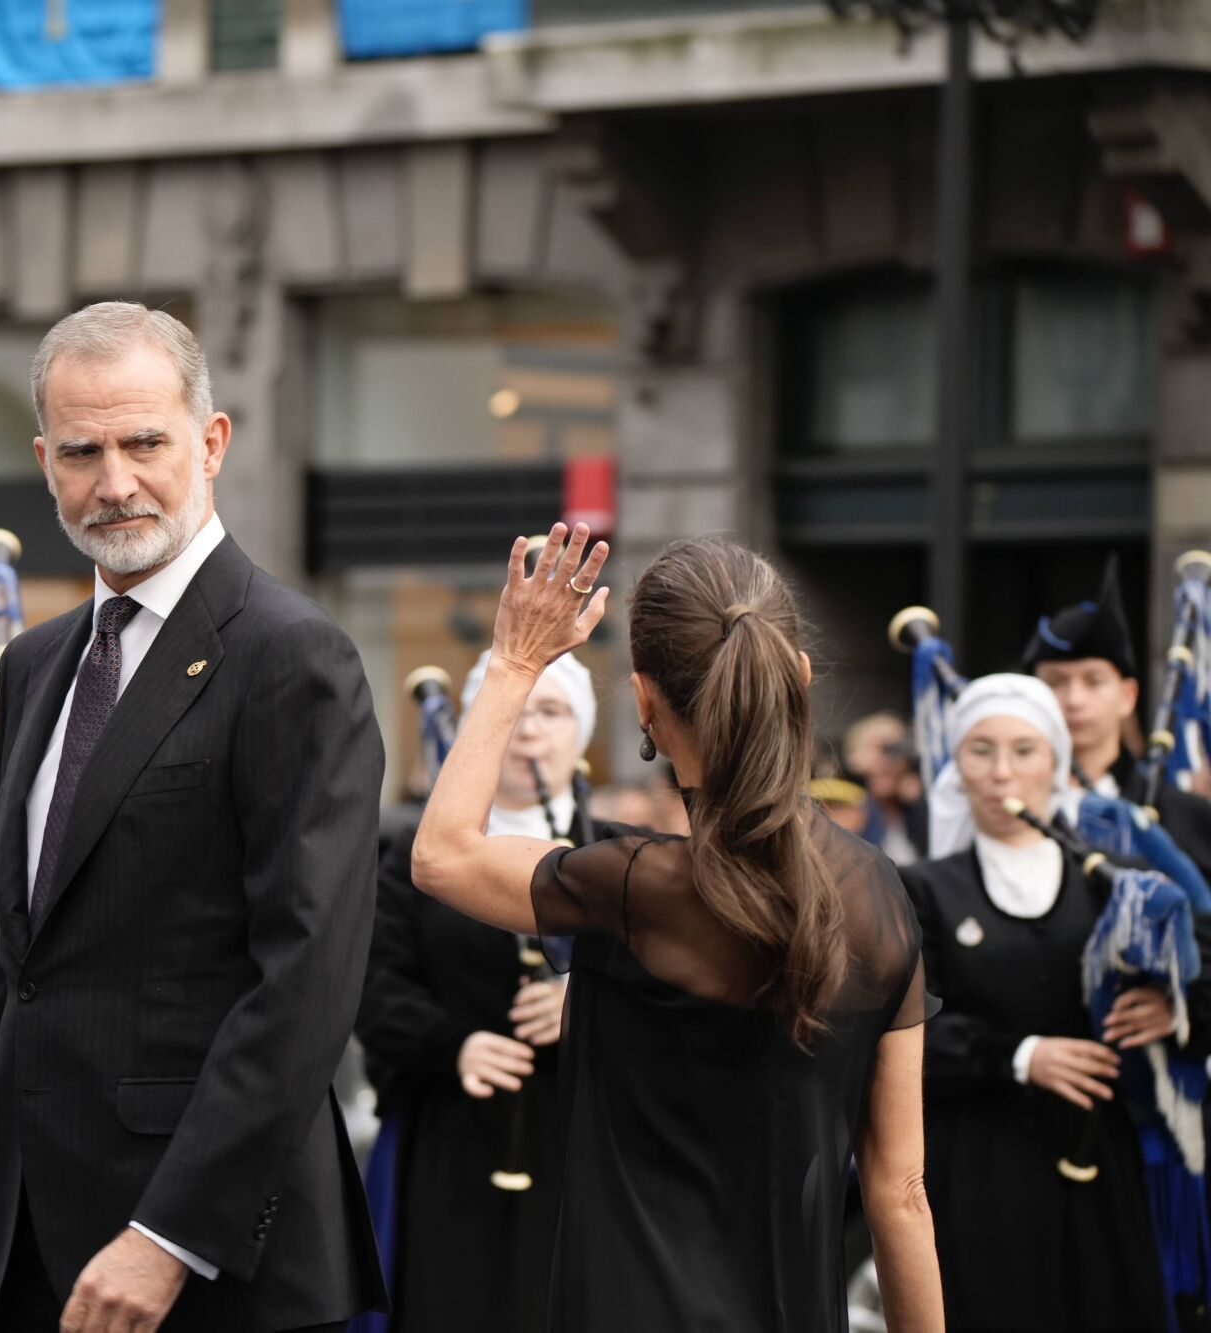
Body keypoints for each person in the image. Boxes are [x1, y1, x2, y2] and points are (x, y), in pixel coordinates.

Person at [0, 303, 388, 1333]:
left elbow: (305, 981)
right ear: (44, 461)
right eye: (83, 452)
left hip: (214, 1264)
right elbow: (18, 982)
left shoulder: (289, 657)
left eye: (145, 442)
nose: (115, 482)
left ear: (211, 441)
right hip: (36, 1257)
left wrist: (168, 1236)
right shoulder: (32, 665)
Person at [412, 528, 943, 1332]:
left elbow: (443, 852)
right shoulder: (881, 895)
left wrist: (518, 661)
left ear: (647, 706)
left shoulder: (635, 883)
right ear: (797, 680)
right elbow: (901, 1196)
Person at [902, 673, 1204, 1333]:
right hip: (980, 1164)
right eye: (980, 749)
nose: (1001, 770)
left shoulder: (1112, 877)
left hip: (1102, 1161)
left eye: (1024, 749)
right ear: (956, 762)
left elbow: (1193, 957)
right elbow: (903, 1032)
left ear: (1056, 761)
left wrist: (1172, 1004)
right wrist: (1017, 1056)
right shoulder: (920, 888)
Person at [354, 649, 600, 1329]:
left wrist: (584, 1005)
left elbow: (665, 983)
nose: (529, 730)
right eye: (516, 710)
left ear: (579, 732)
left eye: (551, 712)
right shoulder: (416, 854)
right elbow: (372, 982)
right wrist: (452, 1044)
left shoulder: (615, 853)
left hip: (578, 1134)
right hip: (449, 1130)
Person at [1025, 557, 1211, 879]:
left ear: (1128, 696)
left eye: (1093, 681)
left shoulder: (1185, 815)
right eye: (1056, 682)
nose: (1074, 700)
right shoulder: (1004, 810)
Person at [841, 711, 927, 863]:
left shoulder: (917, 810)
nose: (888, 760)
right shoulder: (845, 811)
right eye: (881, 748)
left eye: (896, 749)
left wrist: (918, 805)